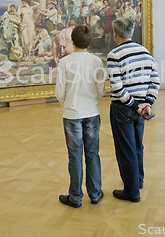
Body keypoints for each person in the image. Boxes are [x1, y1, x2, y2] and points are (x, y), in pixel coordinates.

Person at [107, 17, 160, 202]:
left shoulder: (114, 55)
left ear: (115, 33)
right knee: (137, 146)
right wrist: (147, 103)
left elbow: (117, 87)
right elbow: (155, 81)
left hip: (123, 108)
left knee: (125, 149)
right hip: (140, 109)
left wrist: (136, 106)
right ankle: (137, 181)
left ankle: (131, 192)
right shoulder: (145, 52)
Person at [55, 25, 106, 208]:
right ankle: (95, 193)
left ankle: (75, 197)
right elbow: (101, 90)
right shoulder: (96, 62)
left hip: (71, 114)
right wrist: (92, 102)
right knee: (92, 154)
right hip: (91, 113)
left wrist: (68, 105)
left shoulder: (65, 62)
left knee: (74, 156)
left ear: (73, 42)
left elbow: (60, 92)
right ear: (89, 41)